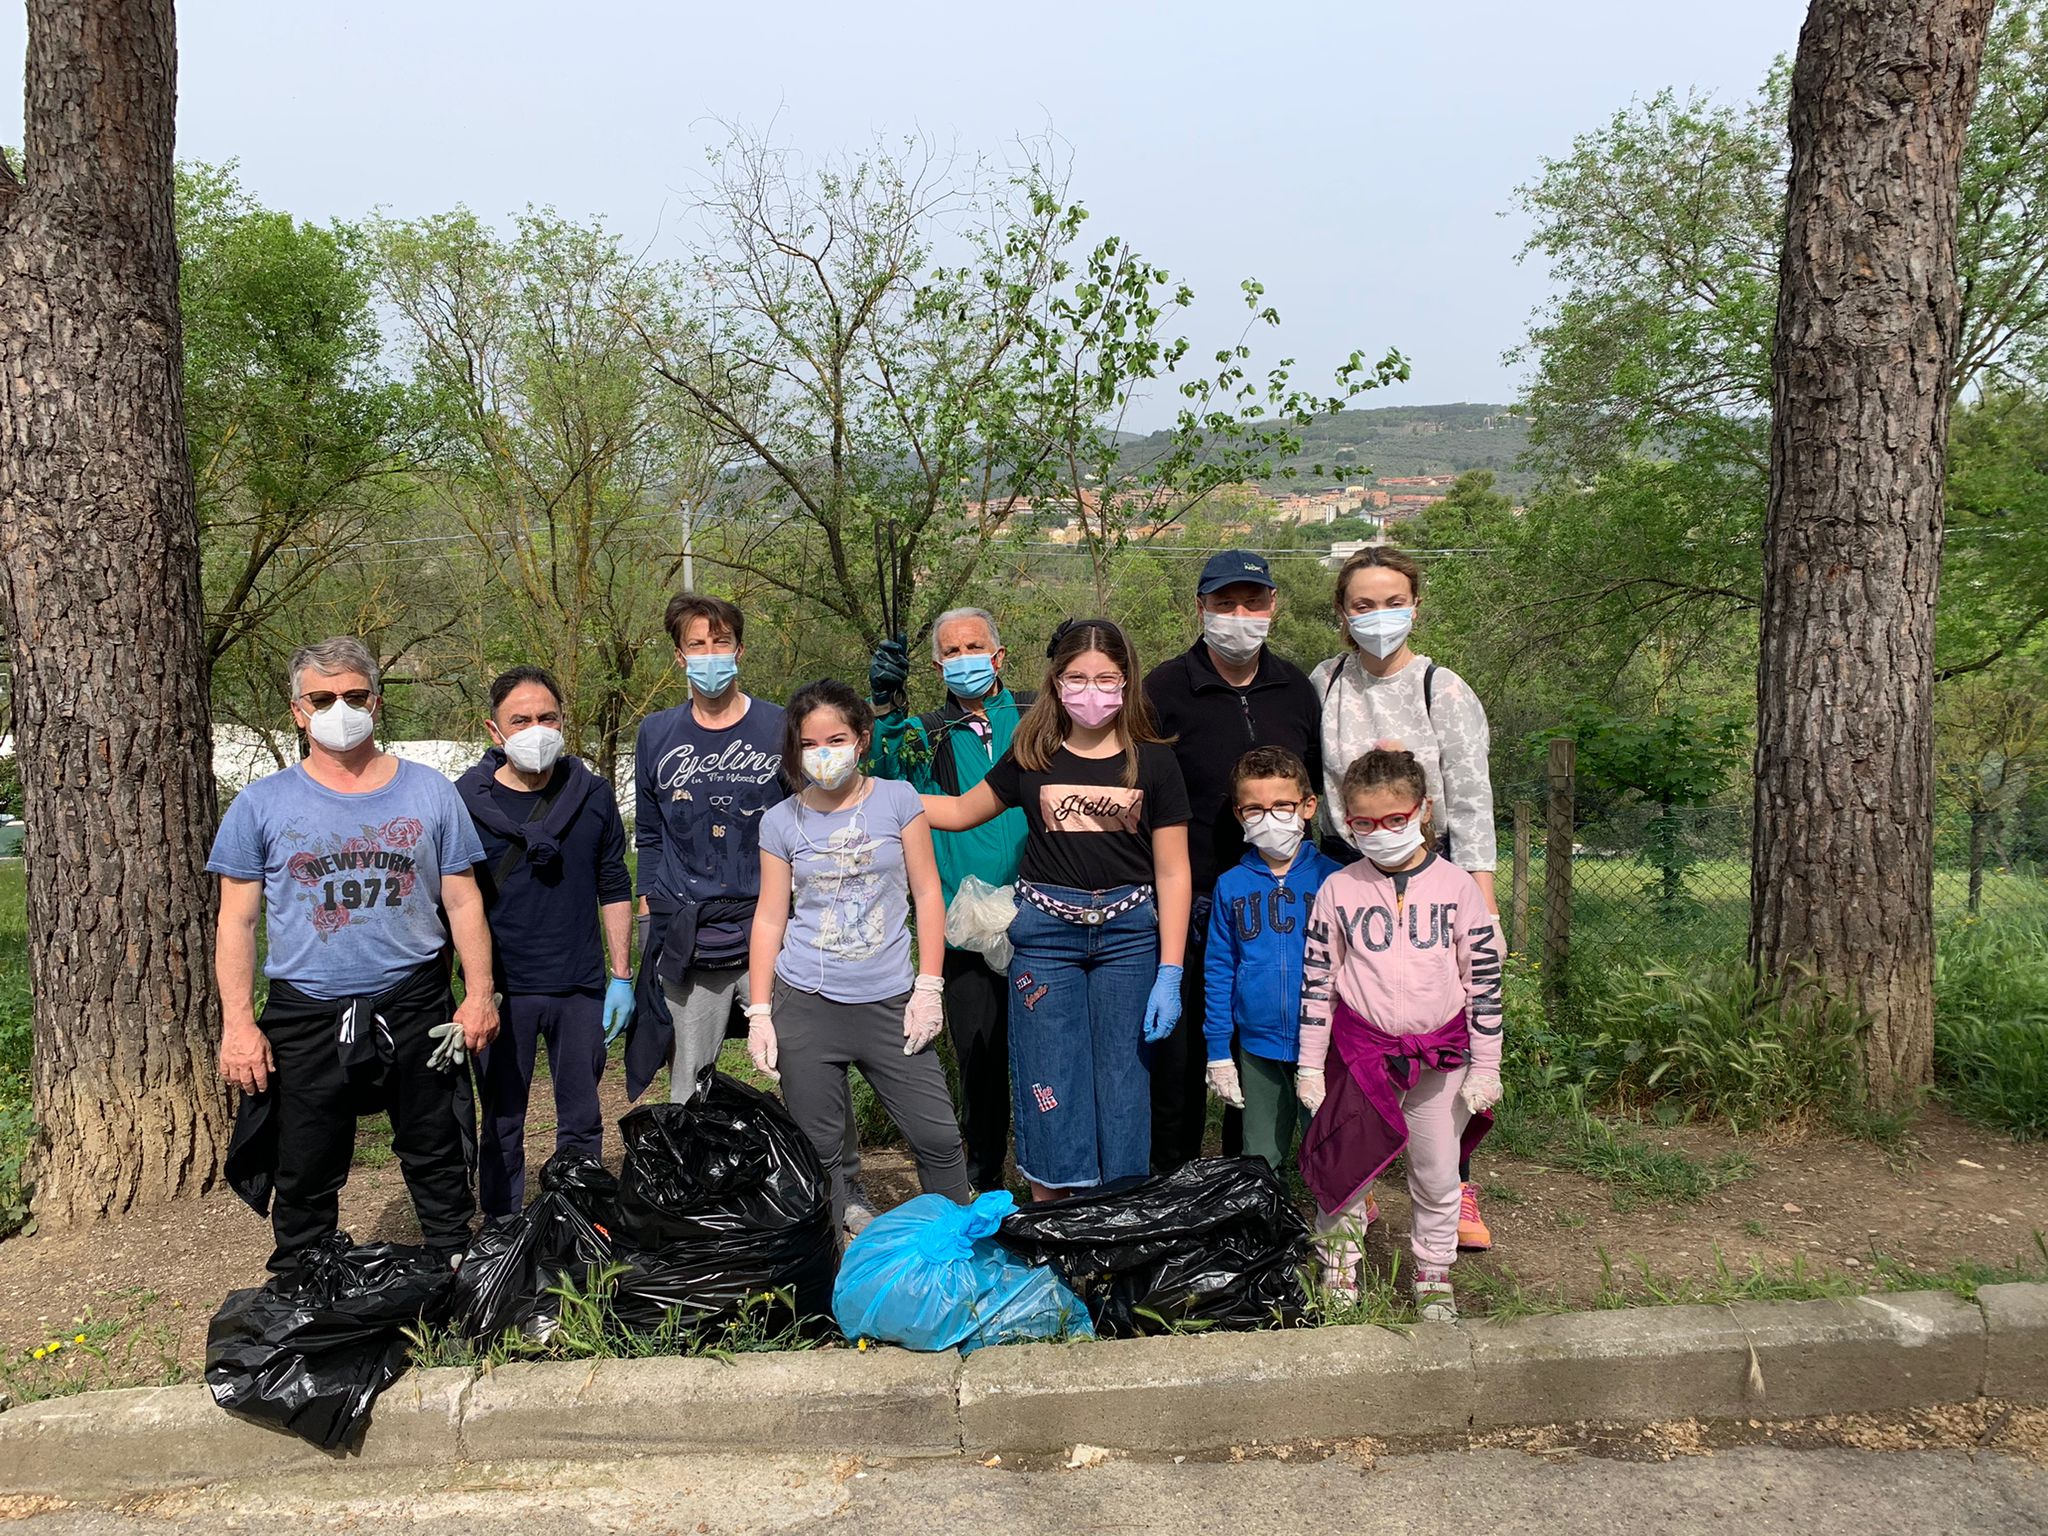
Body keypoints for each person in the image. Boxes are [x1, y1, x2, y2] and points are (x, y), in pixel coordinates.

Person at [213, 637, 497, 1273]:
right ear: (298, 711)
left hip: (416, 999)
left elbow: (463, 900)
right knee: (306, 1157)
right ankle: (303, 1284)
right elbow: (237, 920)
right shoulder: (260, 804)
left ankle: (457, 1270)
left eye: (353, 696)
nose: (340, 709)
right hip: (307, 1008)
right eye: (322, 698)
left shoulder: (430, 792)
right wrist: (238, 1025)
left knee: (436, 1148)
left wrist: (479, 995)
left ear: (376, 701)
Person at [922, 619, 1192, 1199]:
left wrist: (1171, 970)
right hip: (1045, 940)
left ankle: (1115, 1211)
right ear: (1055, 681)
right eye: (1076, 678)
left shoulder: (1154, 762)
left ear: (1126, 681)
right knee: (1050, 1078)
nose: (1090, 691)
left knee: (1124, 1080)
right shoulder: (1032, 754)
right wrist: (870, 794)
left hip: (1130, 939)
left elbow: (1173, 871)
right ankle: (1053, 1212)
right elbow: (961, 810)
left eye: (1106, 678)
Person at [1310, 546, 1502, 1251]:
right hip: (1345, 862)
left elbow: (1474, 799)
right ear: (1341, 612)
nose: (1378, 616)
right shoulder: (1325, 682)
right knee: (1353, 1032)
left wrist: (1485, 901)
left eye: (1392, 600)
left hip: (1431, 865)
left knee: (1439, 1033)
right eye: (1363, 604)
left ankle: (1455, 1179)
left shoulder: (1442, 690)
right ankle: (1356, 1180)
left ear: (1415, 604)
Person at [746, 679, 973, 1228]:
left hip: (892, 1002)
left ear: (862, 739)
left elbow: (927, 894)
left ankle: (960, 1243)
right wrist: (759, 1012)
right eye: (809, 743)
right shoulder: (780, 821)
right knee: (818, 1150)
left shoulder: (898, 800)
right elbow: (771, 916)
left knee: (938, 1135)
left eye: (836, 738)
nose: (824, 753)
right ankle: (830, 1264)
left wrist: (929, 986)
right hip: (806, 1002)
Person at [1295, 749, 1503, 1320]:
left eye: (1394, 820)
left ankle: (1433, 1270)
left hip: (1440, 1058)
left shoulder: (1459, 888)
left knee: (1437, 1172)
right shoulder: (1338, 889)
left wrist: (1487, 1065)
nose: (1380, 833)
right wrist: (1310, 1065)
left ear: (1423, 810)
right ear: (1345, 819)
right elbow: (1318, 982)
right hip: (1361, 1055)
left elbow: (1482, 980)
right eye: (1363, 823)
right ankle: (1339, 1269)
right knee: (1347, 1165)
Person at [1144, 549, 1322, 1171]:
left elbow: (1313, 788)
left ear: (1273, 605)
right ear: (1201, 607)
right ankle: (1173, 1197)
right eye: (1224, 604)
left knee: (1258, 1068)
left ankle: (1245, 1193)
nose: (1239, 615)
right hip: (1187, 905)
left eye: (1252, 602)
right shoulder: (1163, 689)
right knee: (1181, 1065)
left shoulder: (1297, 688)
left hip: (1276, 911)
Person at [456, 666, 633, 1219]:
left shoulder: (594, 796)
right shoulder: (460, 802)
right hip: (500, 990)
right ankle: (501, 1230)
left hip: (580, 985)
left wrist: (621, 975)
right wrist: (464, 989)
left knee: (582, 1117)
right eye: (521, 719)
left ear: (563, 721)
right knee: (503, 1118)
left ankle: (577, 1224)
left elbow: (614, 884)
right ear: (494, 730)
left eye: (547, 717)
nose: (537, 728)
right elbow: (450, 902)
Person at [866, 608, 1032, 1193]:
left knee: (1042, 1058)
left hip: (1042, 920)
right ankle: (985, 1183)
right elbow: (885, 780)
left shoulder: (1040, 717)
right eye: (953, 652)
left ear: (999, 655)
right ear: (937, 666)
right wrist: (886, 713)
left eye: (975, 647)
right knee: (980, 1061)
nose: (965, 659)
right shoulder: (925, 732)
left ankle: (1050, 1179)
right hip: (964, 928)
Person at [625, 594, 787, 1105]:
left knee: (804, 1065)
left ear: (739, 651)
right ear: (679, 655)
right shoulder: (656, 732)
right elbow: (649, 833)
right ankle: (690, 1180)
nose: (709, 653)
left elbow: (806, 823)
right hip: (689, 929)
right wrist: (650, 910)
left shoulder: (779, 726)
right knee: (689, 1082)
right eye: (697, 644)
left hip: (770, 923)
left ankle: (834, 1181)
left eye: (721, 642)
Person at [1202, 747, 1343, 1174]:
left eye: (1282, 806)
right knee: (1261, 1153)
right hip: (1257, 1043)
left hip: (1327, 1042)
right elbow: (1219, 968)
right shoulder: (1230, 885)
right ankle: (1265, 1230)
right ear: (1239, 814)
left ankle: (1340, 1230)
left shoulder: (1337, 879)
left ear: (1307, 806)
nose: (1270, 818)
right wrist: (1217, 1051)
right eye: (1255, 809)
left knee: (1332, 1147)